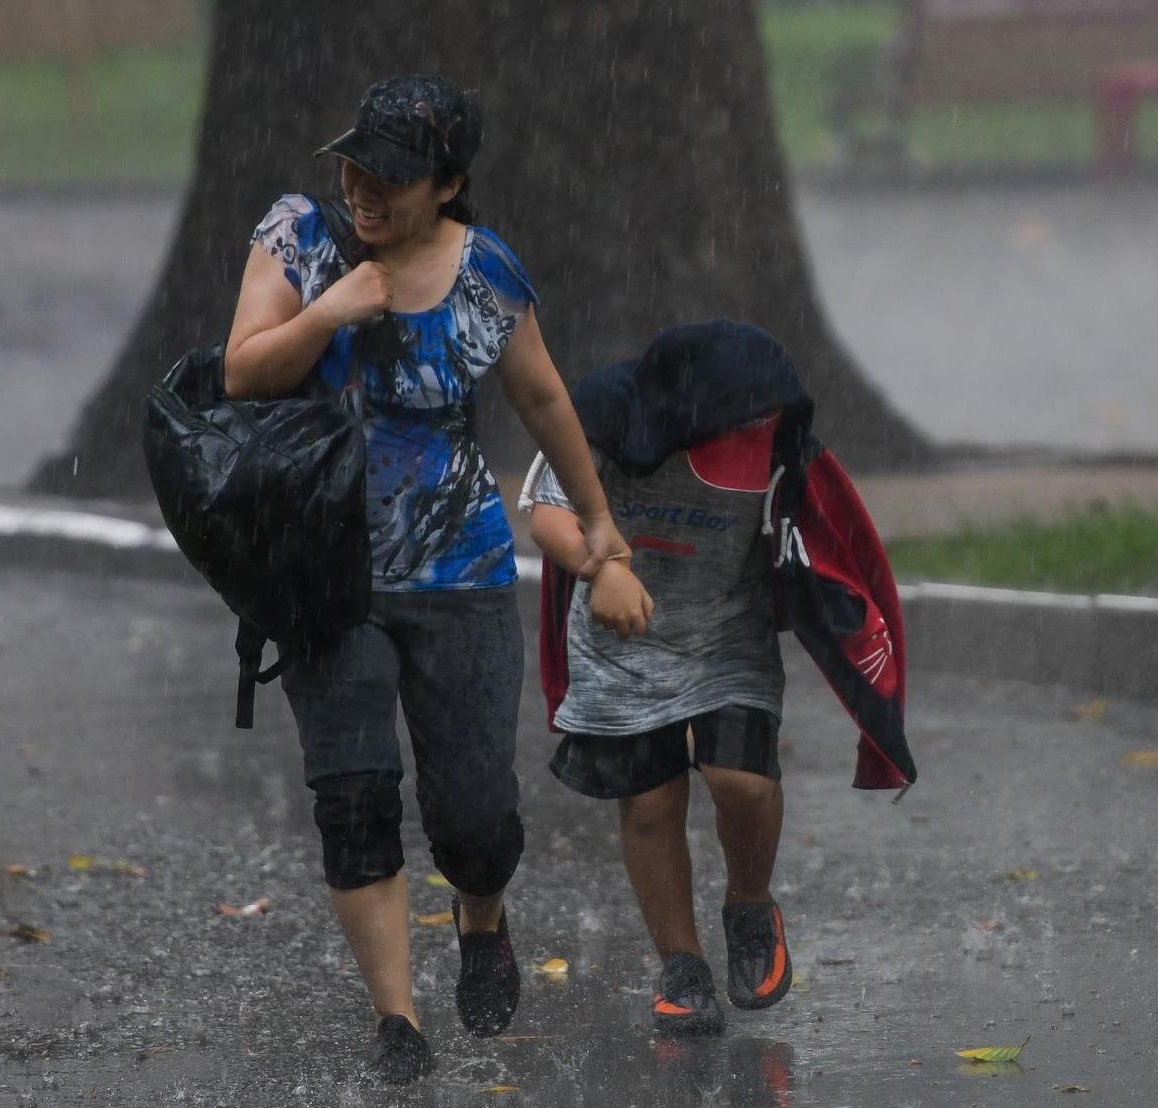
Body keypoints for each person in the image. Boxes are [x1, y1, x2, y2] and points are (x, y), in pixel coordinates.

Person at [222, 73, 650, 1084]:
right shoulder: (299, 239)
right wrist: (329, 312)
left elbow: (542, 396)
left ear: (449, 184)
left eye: (394, 177)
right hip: (325, 573)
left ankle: (482, 913)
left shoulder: (486, 273)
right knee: (356, 793)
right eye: (355, 164)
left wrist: (599, 530)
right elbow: (242, 371)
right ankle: (398, 1024)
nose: (364, 188)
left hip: (460, 573)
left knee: (476, 820)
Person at [522, 320, 916, 1036]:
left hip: (729, 637)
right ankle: (682, 964)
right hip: (622, 638)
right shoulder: (604, 416)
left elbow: (825, 536)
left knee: (742, 781)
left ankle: (750, 905)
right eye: (744, 417)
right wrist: (600, 566)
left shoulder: (778, 444)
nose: (758, 427)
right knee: (649, 806)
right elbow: (545, 511)